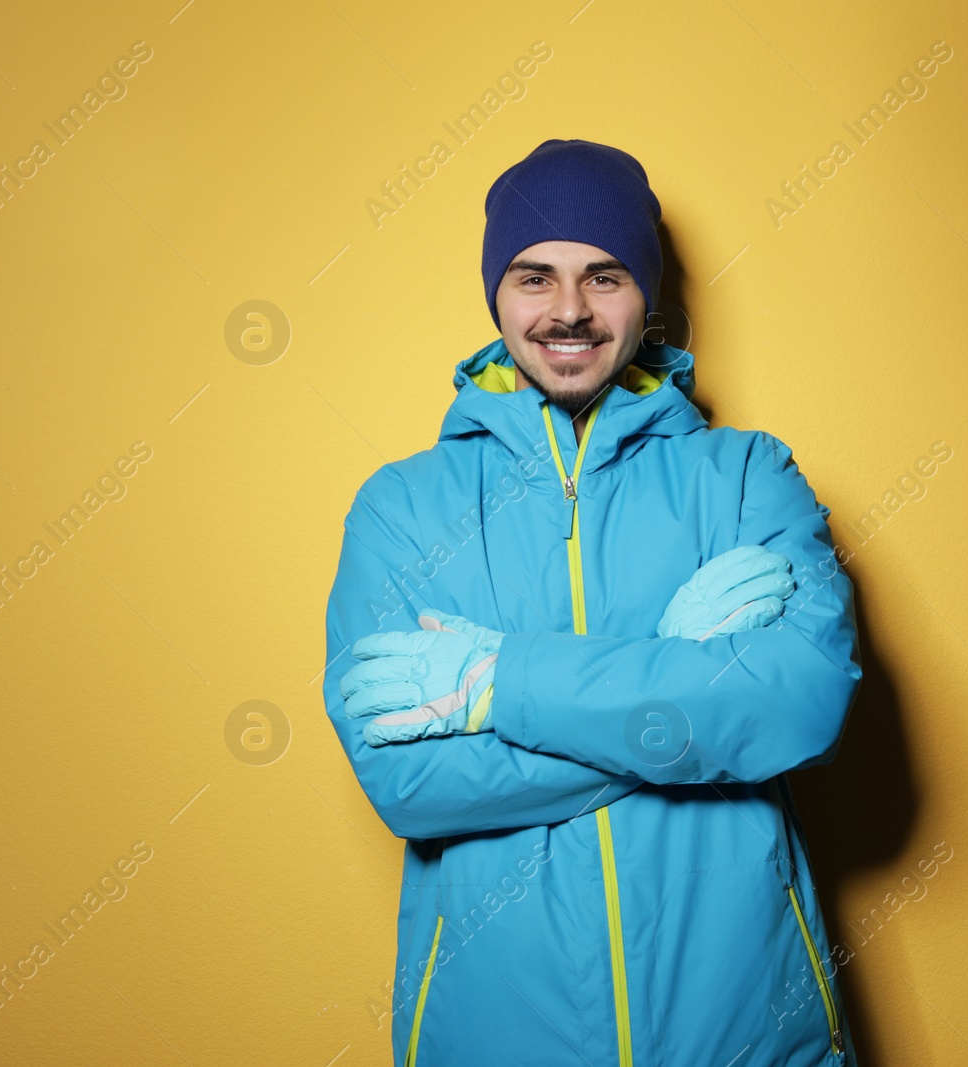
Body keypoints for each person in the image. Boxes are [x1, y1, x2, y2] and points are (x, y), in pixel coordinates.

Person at [322, 138, 863, 1066]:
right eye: (535, 276)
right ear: (496, 293)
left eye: (603, 276)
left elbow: (800, 703)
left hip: (747, 1031)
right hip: (495, 1037)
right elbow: (409, 785)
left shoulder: (745, 476)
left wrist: (499, 683)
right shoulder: (403, 507)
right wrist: (680, 692)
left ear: (645, 294)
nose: (568, 310)